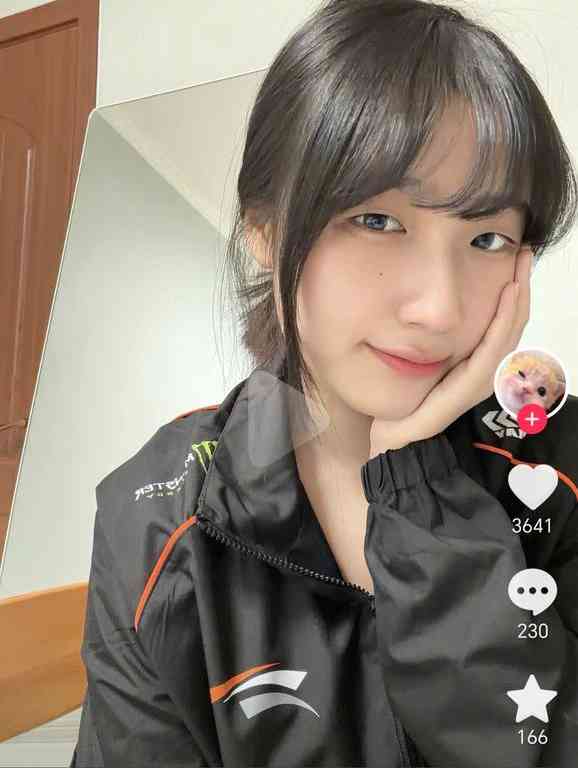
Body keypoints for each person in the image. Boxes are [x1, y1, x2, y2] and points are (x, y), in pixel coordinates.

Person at [70, 1, 578, 766]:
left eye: (487, 237)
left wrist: (416, 485)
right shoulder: (158, 513)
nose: (438, 310)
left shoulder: (560, 469)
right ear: (266, 232)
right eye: (377, 221)